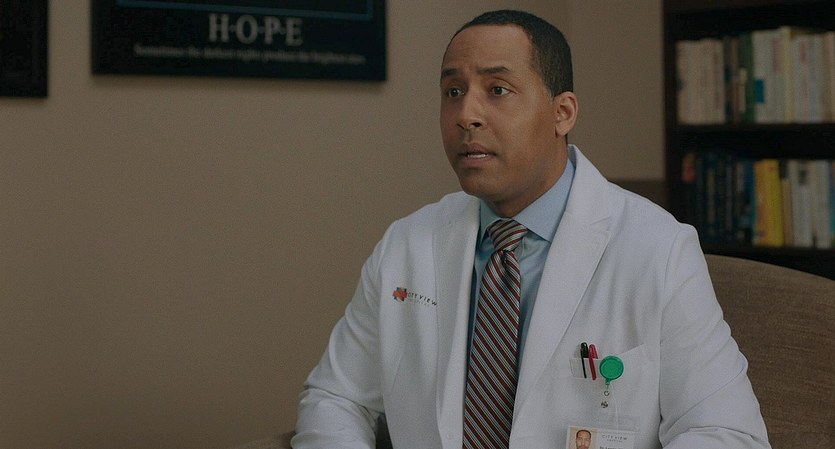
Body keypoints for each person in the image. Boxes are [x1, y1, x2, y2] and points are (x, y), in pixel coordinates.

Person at [293, 9, 771, 449]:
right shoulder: (405, 245)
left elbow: (726, 433)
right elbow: (335, 398)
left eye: (497, 90)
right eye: (453, 92)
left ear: (563, 113)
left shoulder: (660, 248)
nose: (466, 115)